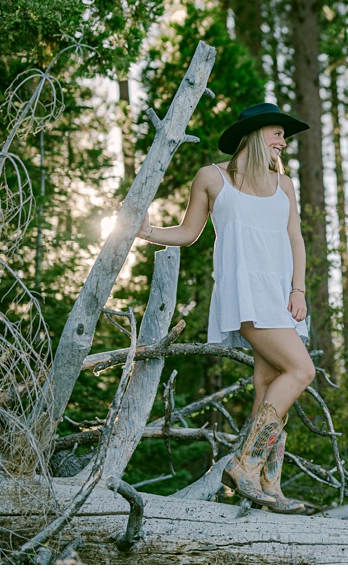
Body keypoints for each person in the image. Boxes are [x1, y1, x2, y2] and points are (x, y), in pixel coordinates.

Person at [137, 102, 315, 514]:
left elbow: (296, 240)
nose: (283, 142)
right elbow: (188, 232)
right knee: (301, 371)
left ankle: (269, 487)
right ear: (255, 134)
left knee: (270, 385)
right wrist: (145, 231)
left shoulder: (283, 185)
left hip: (281, 294)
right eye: (277, 133)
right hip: (244, 292)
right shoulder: (212, 178)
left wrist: (299, 289)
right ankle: (244, 466)